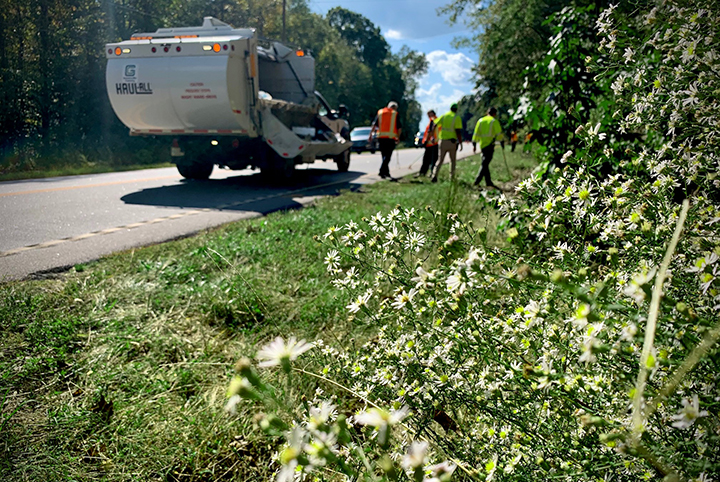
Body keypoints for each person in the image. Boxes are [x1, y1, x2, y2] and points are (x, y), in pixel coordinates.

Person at [431, 103, 463, 182]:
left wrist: (433, 136)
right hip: (452, 142)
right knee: (452, 161)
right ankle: (452, 178)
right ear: (456, 109)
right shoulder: (456, 117)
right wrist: (460, 142)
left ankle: (434, 176)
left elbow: (434, 124)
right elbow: (458, 131)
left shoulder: (444, 116)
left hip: (442, 141)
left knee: (440, 160)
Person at [369, 101, 402, 180]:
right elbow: (399, 128)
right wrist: (398, 137)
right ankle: (382, 171)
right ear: (394, 108)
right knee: (387, 156)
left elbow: (374, 125)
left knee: (384, 155)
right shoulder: (395, 114)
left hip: (381, 137)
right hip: (390, 138)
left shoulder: (380, 112)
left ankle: (386, 172)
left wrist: (370, 135)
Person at [472, 107, 502, 189]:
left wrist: (474, 143)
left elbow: (476, 133)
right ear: (494, 114)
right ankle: (477, 181)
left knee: (485, 163)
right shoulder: (494, 121)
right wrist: (501, 141)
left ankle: (488, 181)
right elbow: (499, 133)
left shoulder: (480, 121)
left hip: (482, 145)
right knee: (485, 164)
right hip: (490, 144)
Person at [415, 110, 439, 178]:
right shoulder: (438, 120)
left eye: (428, 114)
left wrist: (425, 141)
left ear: (432, 114)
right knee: (433, 160)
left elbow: (430, 131)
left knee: (426, 160)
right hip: (436, 142)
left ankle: (423, 173)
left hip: (430, 143)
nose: (428, 116)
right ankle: (432, 173)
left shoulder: (432, 120)